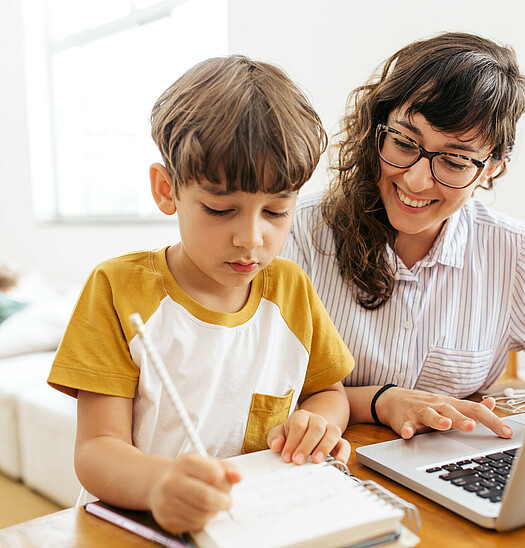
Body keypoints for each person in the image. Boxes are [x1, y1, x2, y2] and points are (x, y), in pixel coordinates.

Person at [47, 56, 354, 534]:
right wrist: (160, 484)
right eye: (219, 209)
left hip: (256, 526)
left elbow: (329, 393)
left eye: (276, 212)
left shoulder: (290, 288)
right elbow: (95, 450)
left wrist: (317, 421)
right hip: (138, 527)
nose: (251, 238)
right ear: (166, 189)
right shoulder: (117, 288)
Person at [280, 32, 525, 442]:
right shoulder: (297, 233)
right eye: (405, 143)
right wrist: (382, 401)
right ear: (378, 130)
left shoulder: (515, 255)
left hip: (446, 471)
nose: (417, 180)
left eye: (455, 161)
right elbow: (254, 397)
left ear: (492, 167)